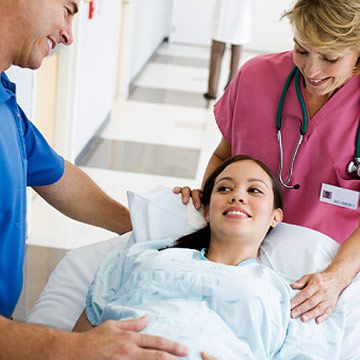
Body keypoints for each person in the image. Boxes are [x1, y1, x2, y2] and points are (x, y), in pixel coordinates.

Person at [0, 1, 190, 359]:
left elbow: (59, 179)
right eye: (69, 9)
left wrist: (150, 233)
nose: (70, 35)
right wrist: (73, 348)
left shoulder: (5, 101)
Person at [175, 0, 360, 327]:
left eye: (330, 57)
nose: (312, 71)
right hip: (244, 246)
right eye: (301, 50)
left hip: (324, 264)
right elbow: (223, 156)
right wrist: (210, 197)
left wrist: (336, 278)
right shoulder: (256, 77)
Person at [73, 155, 345, 359]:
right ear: (206, 210)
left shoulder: (288, 296)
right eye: (224, 189)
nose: (237, 196)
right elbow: (78, 343)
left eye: (254, 190)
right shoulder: (147, 256)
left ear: (276, 217)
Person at [204, 0, 253, 100]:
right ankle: (231, 88)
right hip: (241, 11)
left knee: (217, 51)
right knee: (236, 50)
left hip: (224, 11)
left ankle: (212, 89)